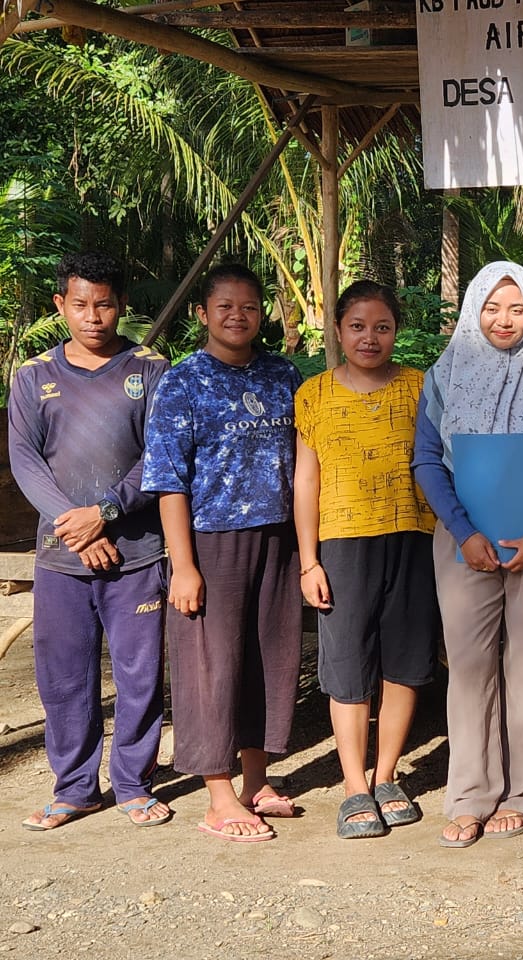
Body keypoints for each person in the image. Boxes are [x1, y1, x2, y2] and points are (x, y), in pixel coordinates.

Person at [412, 260, 523, 848]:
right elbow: (427, 460)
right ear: (472, 311)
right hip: (464, 538)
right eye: (491, 307)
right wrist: (463, 531)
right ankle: (470, 795)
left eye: (517, 308)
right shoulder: (444, 375)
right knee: (469, 667)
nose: (504, 319)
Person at [9, 251, 172, 831]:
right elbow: (25, 460)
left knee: (138, 676)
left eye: (104, 304)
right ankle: (75, 788)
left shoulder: (150, 369)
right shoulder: (33, 376)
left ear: (121, 305)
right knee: (64, 679)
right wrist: (74, 527)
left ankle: (132, 783)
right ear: (61, 305)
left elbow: (160, 455)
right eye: (80, 304)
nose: (93, 316)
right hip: (61, 557)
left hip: (137, 555)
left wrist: (105, 513)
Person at [143, 262, 303, 843]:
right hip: (211, 541)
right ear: (202, 313)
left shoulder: (283, 374)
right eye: (226, 307)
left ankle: (257, 780)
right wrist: (183, 566)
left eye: (249, 307)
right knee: (212, 665)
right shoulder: (183, 381)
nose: (238, 316)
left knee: (269, 658)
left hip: (279, 537)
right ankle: (218, 796)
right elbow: (168, 481)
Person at [294, 280, 440, 839]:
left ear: (396, 332)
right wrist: (309, 561)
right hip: (341, 545)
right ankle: (354, 786)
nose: (370, 338)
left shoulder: (420, 387)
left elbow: (439, 462)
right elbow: (306, 481)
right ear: (337, 330)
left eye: (382, 327)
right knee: (348, 664)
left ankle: (387, 776)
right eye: (357, 326)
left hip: (413, 538)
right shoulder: (313, 395)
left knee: (405, 663)